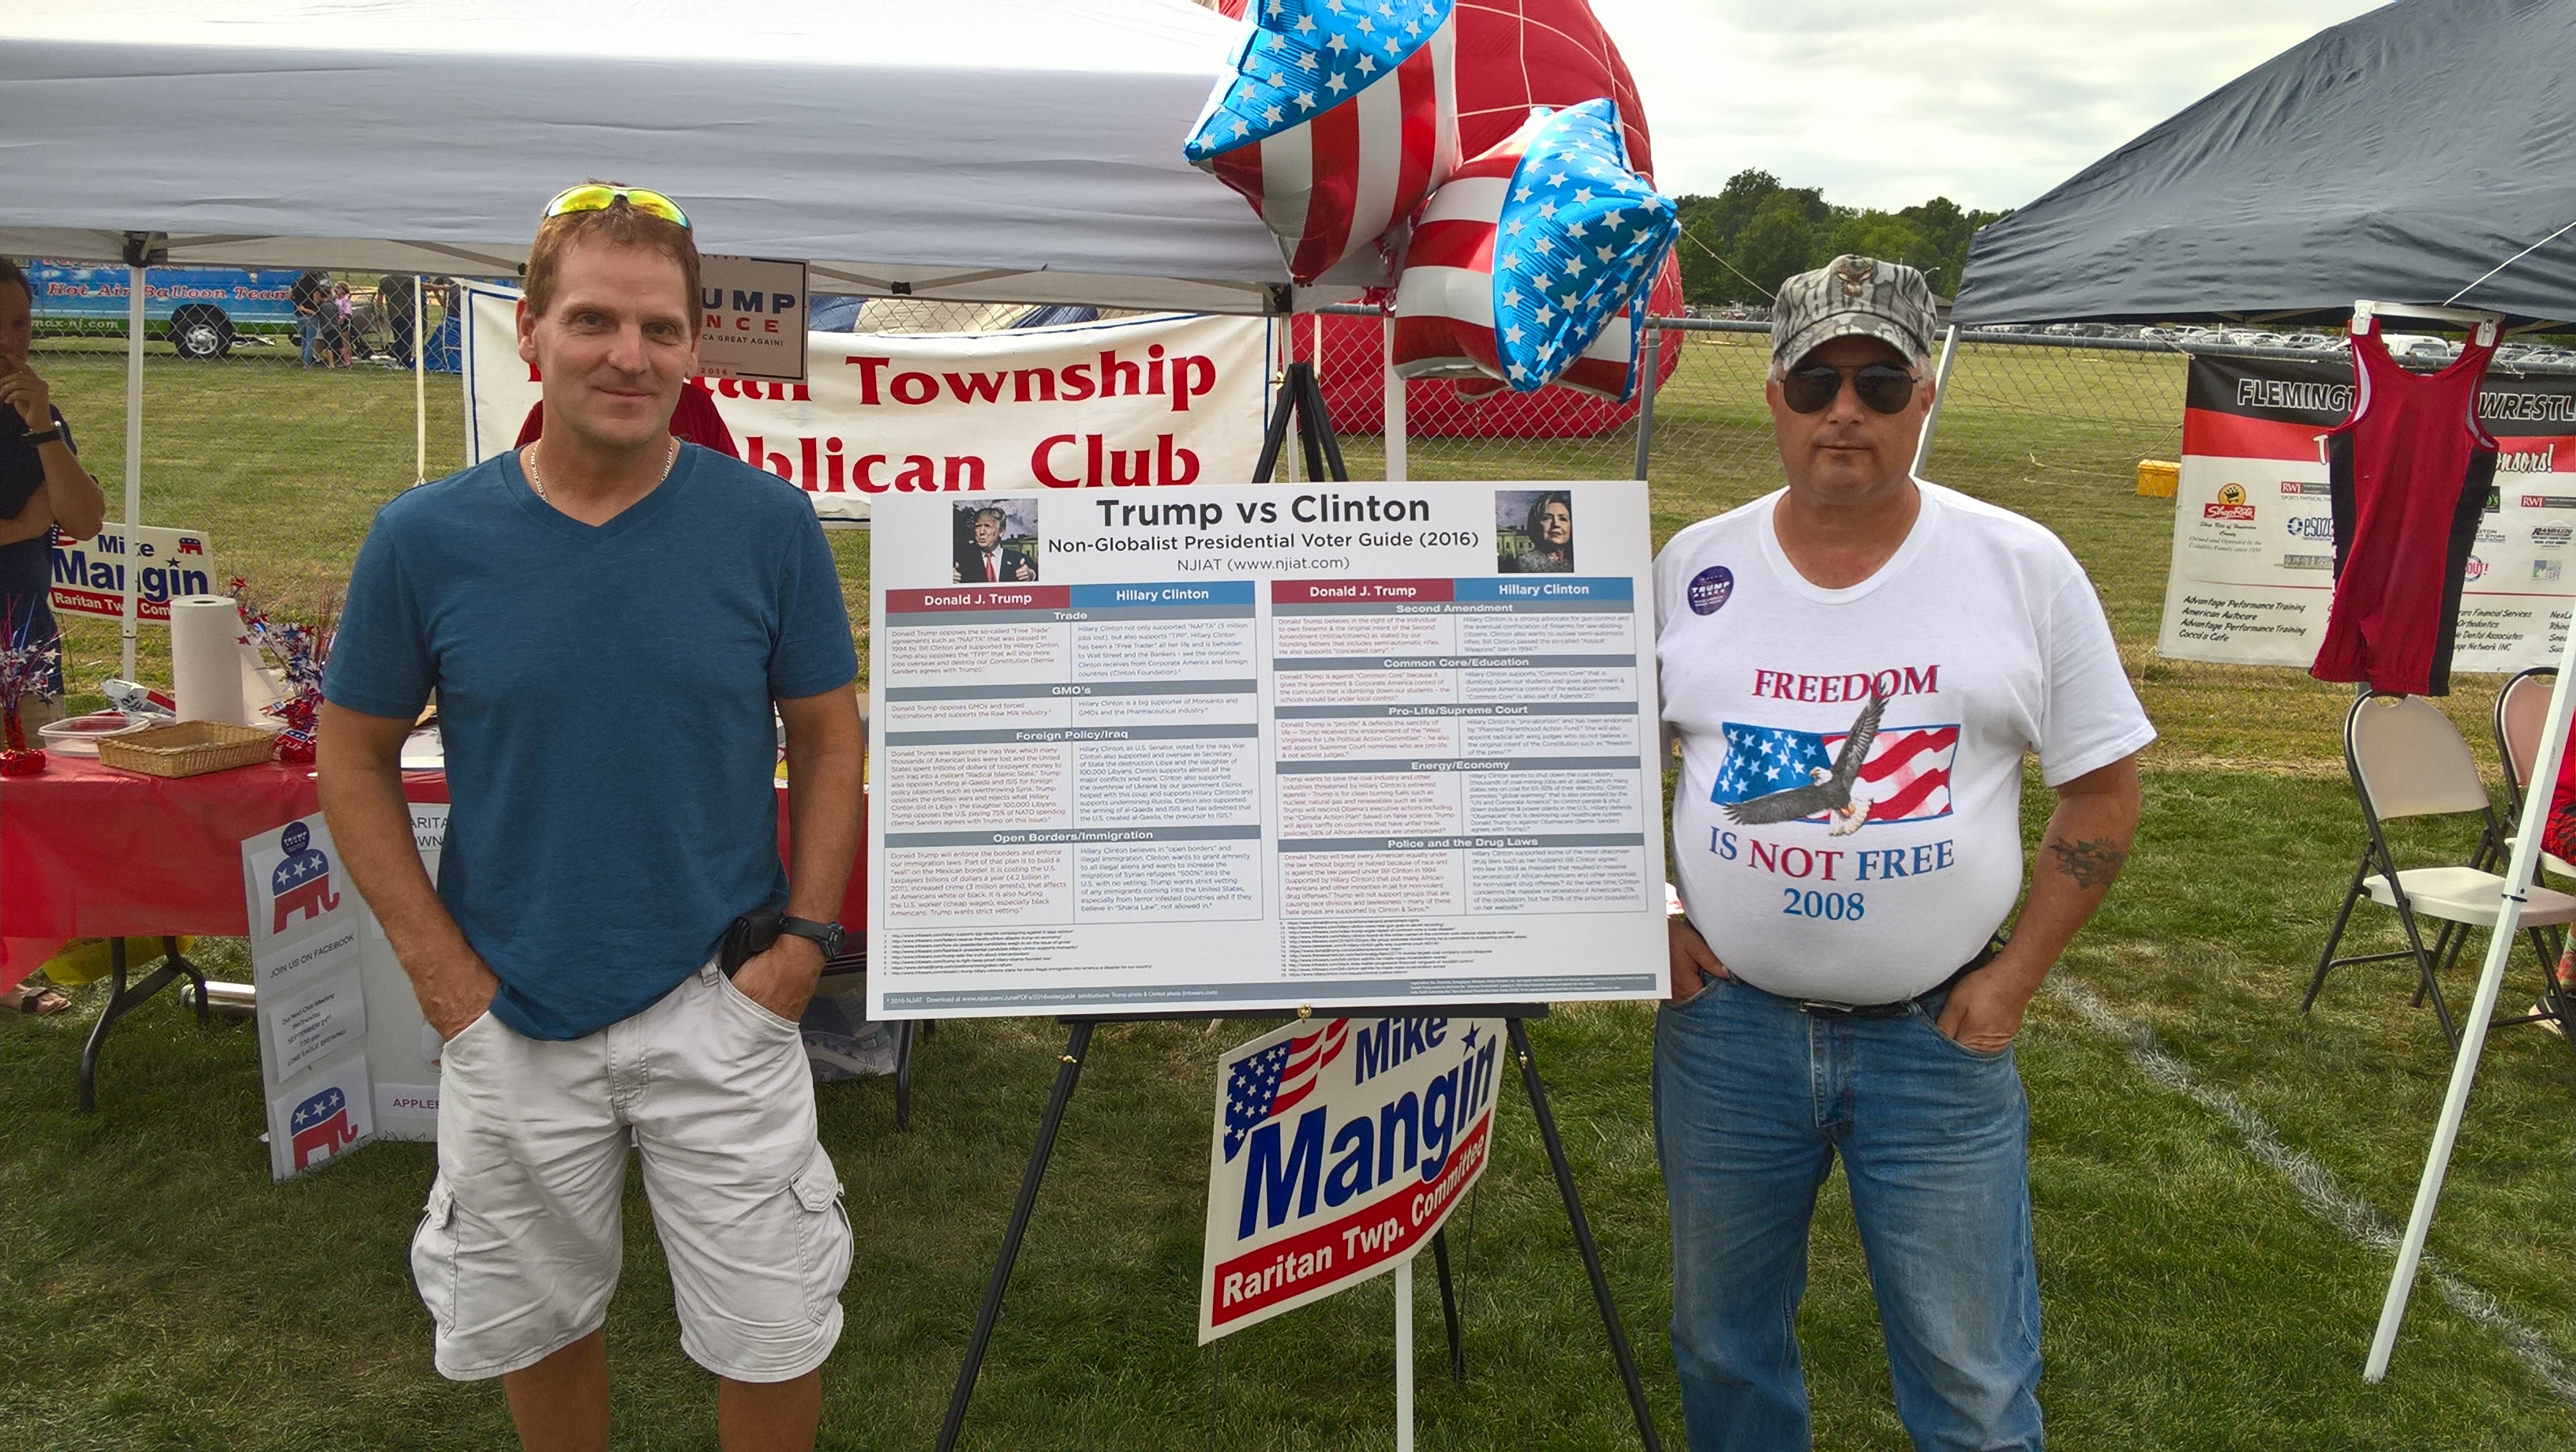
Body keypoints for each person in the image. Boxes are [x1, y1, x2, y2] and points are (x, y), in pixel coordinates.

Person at [316, 182, 862, 1452]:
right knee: (538, 1320)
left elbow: (832, 735)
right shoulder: (425, 539)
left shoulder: (769, 526)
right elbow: (353, 756)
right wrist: (444, 980)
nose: (631, 355)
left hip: (721, 995)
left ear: (692, 345)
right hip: (513, 1007)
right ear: (533, 335)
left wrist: (802, 947)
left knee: (774, 1325)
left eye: (662, 329)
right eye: (597, 321)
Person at [1652, 254, 2152, 1451]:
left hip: (1938, 1043)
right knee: (1722, 1347)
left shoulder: (2023, 568)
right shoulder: (1692, 568)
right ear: (1773, 393)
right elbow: (1604, 757)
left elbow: (2103, 789)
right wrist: (1654, 911)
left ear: (1926, 399)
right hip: (1729, 1040)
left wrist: (2014, 979)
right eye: (1818, 378)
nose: (1846, 410)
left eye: (1881, 382)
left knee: (1973, 1381)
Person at [0, 256, 108, 725]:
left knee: (35, 794)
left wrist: (44, 428)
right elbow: (43, 517)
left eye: (20, 323)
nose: (8, 340)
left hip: (25, 656)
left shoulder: (37, 414)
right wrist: (25, 523)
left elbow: (85, 520)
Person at [952, 504, 1035, 582]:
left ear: (1001, 531)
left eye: (987, 526)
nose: (981, 532)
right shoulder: (962, 560)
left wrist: (1031, 575)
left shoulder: (1018, 560)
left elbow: (1040, 577)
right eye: (978, 526)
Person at [1502, 490, 1574, 572]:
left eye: (1563, 519)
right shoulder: (1523, 567)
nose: (1556, 524)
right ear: (1535, 525)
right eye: (1547, 518)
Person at [291, 270, 328, 367]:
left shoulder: (296, 284)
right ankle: (307, 362)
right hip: (311, 314)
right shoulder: (313, 285)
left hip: (299, 313)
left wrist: (298, 302)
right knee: (310, 340)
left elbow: (289, 296)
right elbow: (316, 301)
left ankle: (304, 358)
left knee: (303, 338)